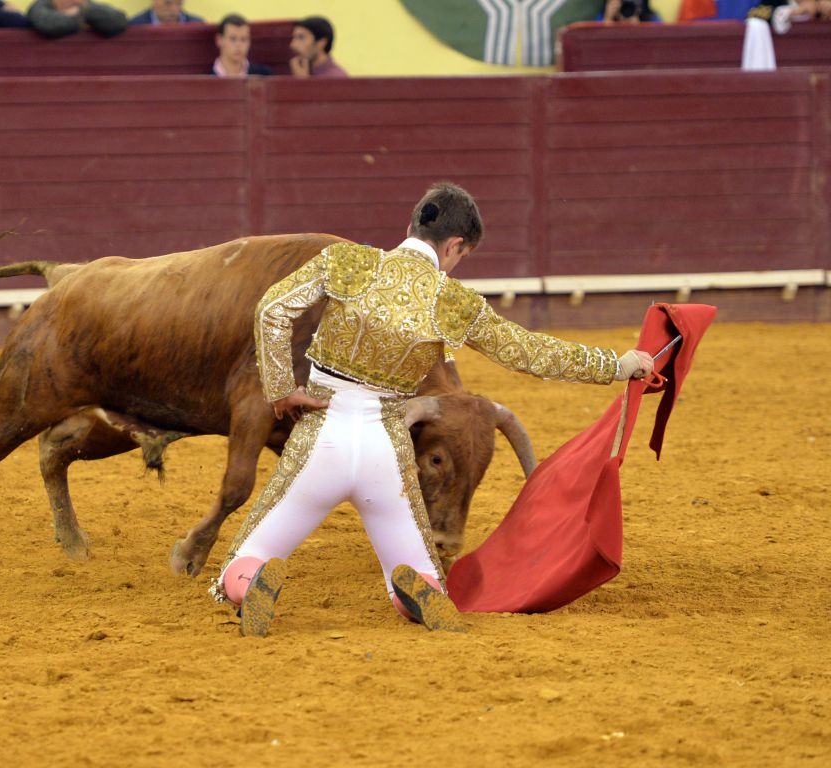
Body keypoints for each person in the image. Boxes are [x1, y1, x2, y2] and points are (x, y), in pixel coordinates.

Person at [211, 182, 655, 637]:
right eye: (461, 256)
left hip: (322, 436)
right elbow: (529, 351)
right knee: (418, 571)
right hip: (385, 448)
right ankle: (419, 591)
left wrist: (282, 389)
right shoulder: (453, 302)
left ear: (412, 226)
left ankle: (250, 582)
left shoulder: (345, 262)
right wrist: (617, 366)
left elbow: (271, 309)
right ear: (455, 244)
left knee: (248, 556)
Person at [27, 0, 126, 38]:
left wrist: (81, 11)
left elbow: (118, 22)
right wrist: (79, 17)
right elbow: (49, 25)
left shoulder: (86, 7)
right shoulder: (40, 7)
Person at [129, 0, 202, 25]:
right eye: (168, 3)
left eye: (178, 3)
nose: (174, 9)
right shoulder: (134, 26)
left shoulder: (198, 25)